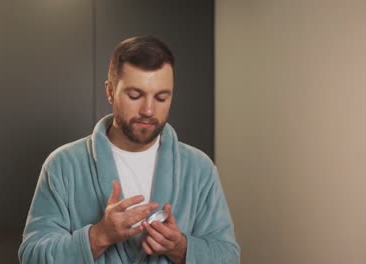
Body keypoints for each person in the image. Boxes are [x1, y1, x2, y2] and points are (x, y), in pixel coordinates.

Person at [18, 36, 240, 264]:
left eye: (162, 97)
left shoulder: (199, 168)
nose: (149, 110)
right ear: (110, 91)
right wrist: (99, 236)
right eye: (135, 95)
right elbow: (32, 256)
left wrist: (180, 248)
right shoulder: (62, 165)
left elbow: (228, 256)